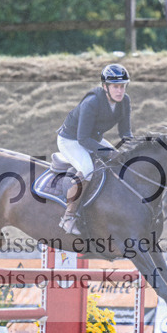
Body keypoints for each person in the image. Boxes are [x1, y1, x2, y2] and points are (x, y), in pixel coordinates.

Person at [56, 63, 133, 235]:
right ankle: (68, 216)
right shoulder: (91, 102)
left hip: (92, 139)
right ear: (105, 86)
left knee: (119, 163)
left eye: (122, 86)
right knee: (88, 169)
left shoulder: (124, 101)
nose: (120, 91)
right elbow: (83, 139)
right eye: (115, 86)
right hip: (71, 140)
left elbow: (126, 133)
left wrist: (133, 148)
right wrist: (108, 152)